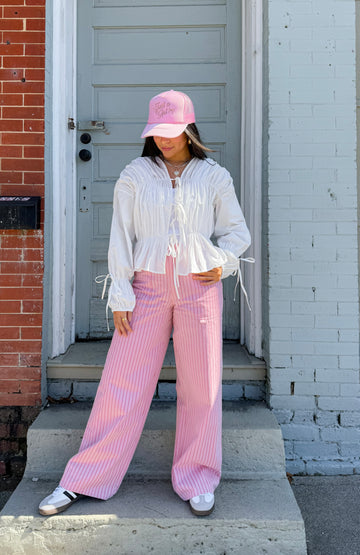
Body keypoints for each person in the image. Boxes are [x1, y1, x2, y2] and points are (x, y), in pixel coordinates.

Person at [39, 90, 252, 517]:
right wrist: (120, 291)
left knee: (202, 386)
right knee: (123, 381)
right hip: (147, 287)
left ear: (190, 129)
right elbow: (120, 236)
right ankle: (83, 478)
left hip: (199, 287)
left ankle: (198, 476)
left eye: (171, 133)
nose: (164, 140)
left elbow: (236, 232)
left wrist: (224, 262)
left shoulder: (214, 176)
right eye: (157, 133)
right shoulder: (135, 173)